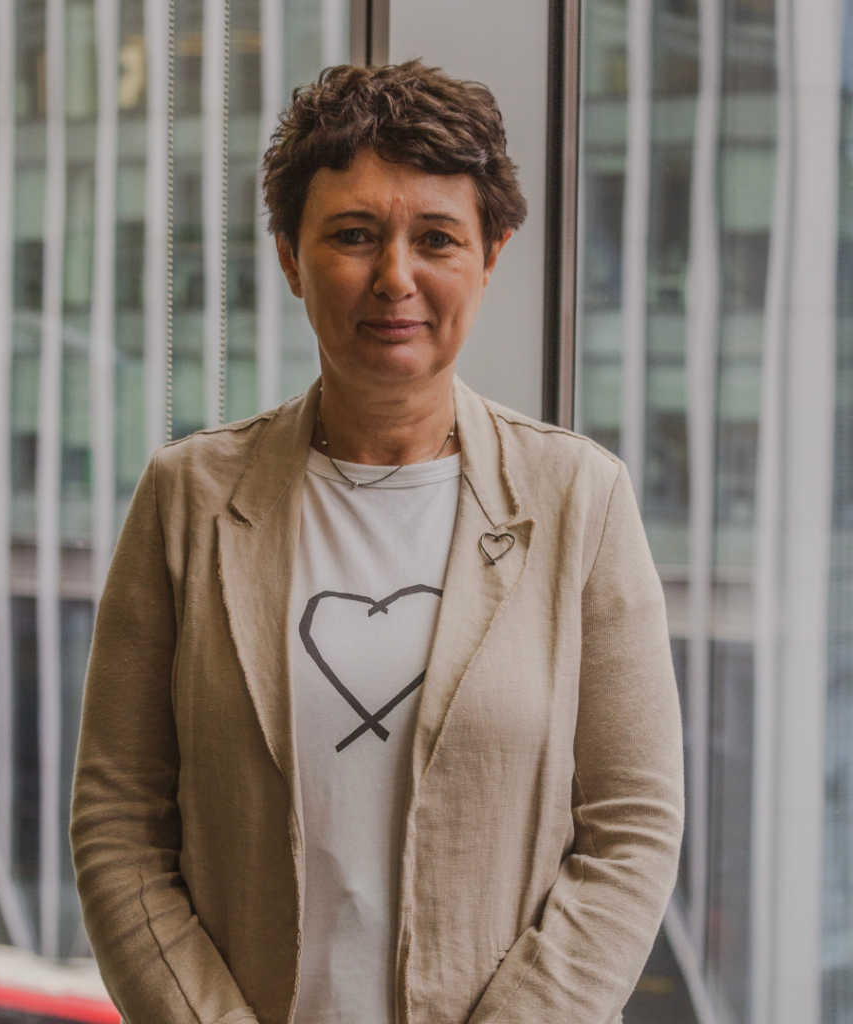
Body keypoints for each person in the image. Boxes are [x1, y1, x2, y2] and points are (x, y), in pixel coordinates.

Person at [71, 61, 684, 1024]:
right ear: (288, 255)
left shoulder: (580, 501)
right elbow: (118, 825)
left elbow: (631, 831)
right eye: (353, 236)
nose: (394, 278)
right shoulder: (186, 500)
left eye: (436, 238)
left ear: (490, 255)